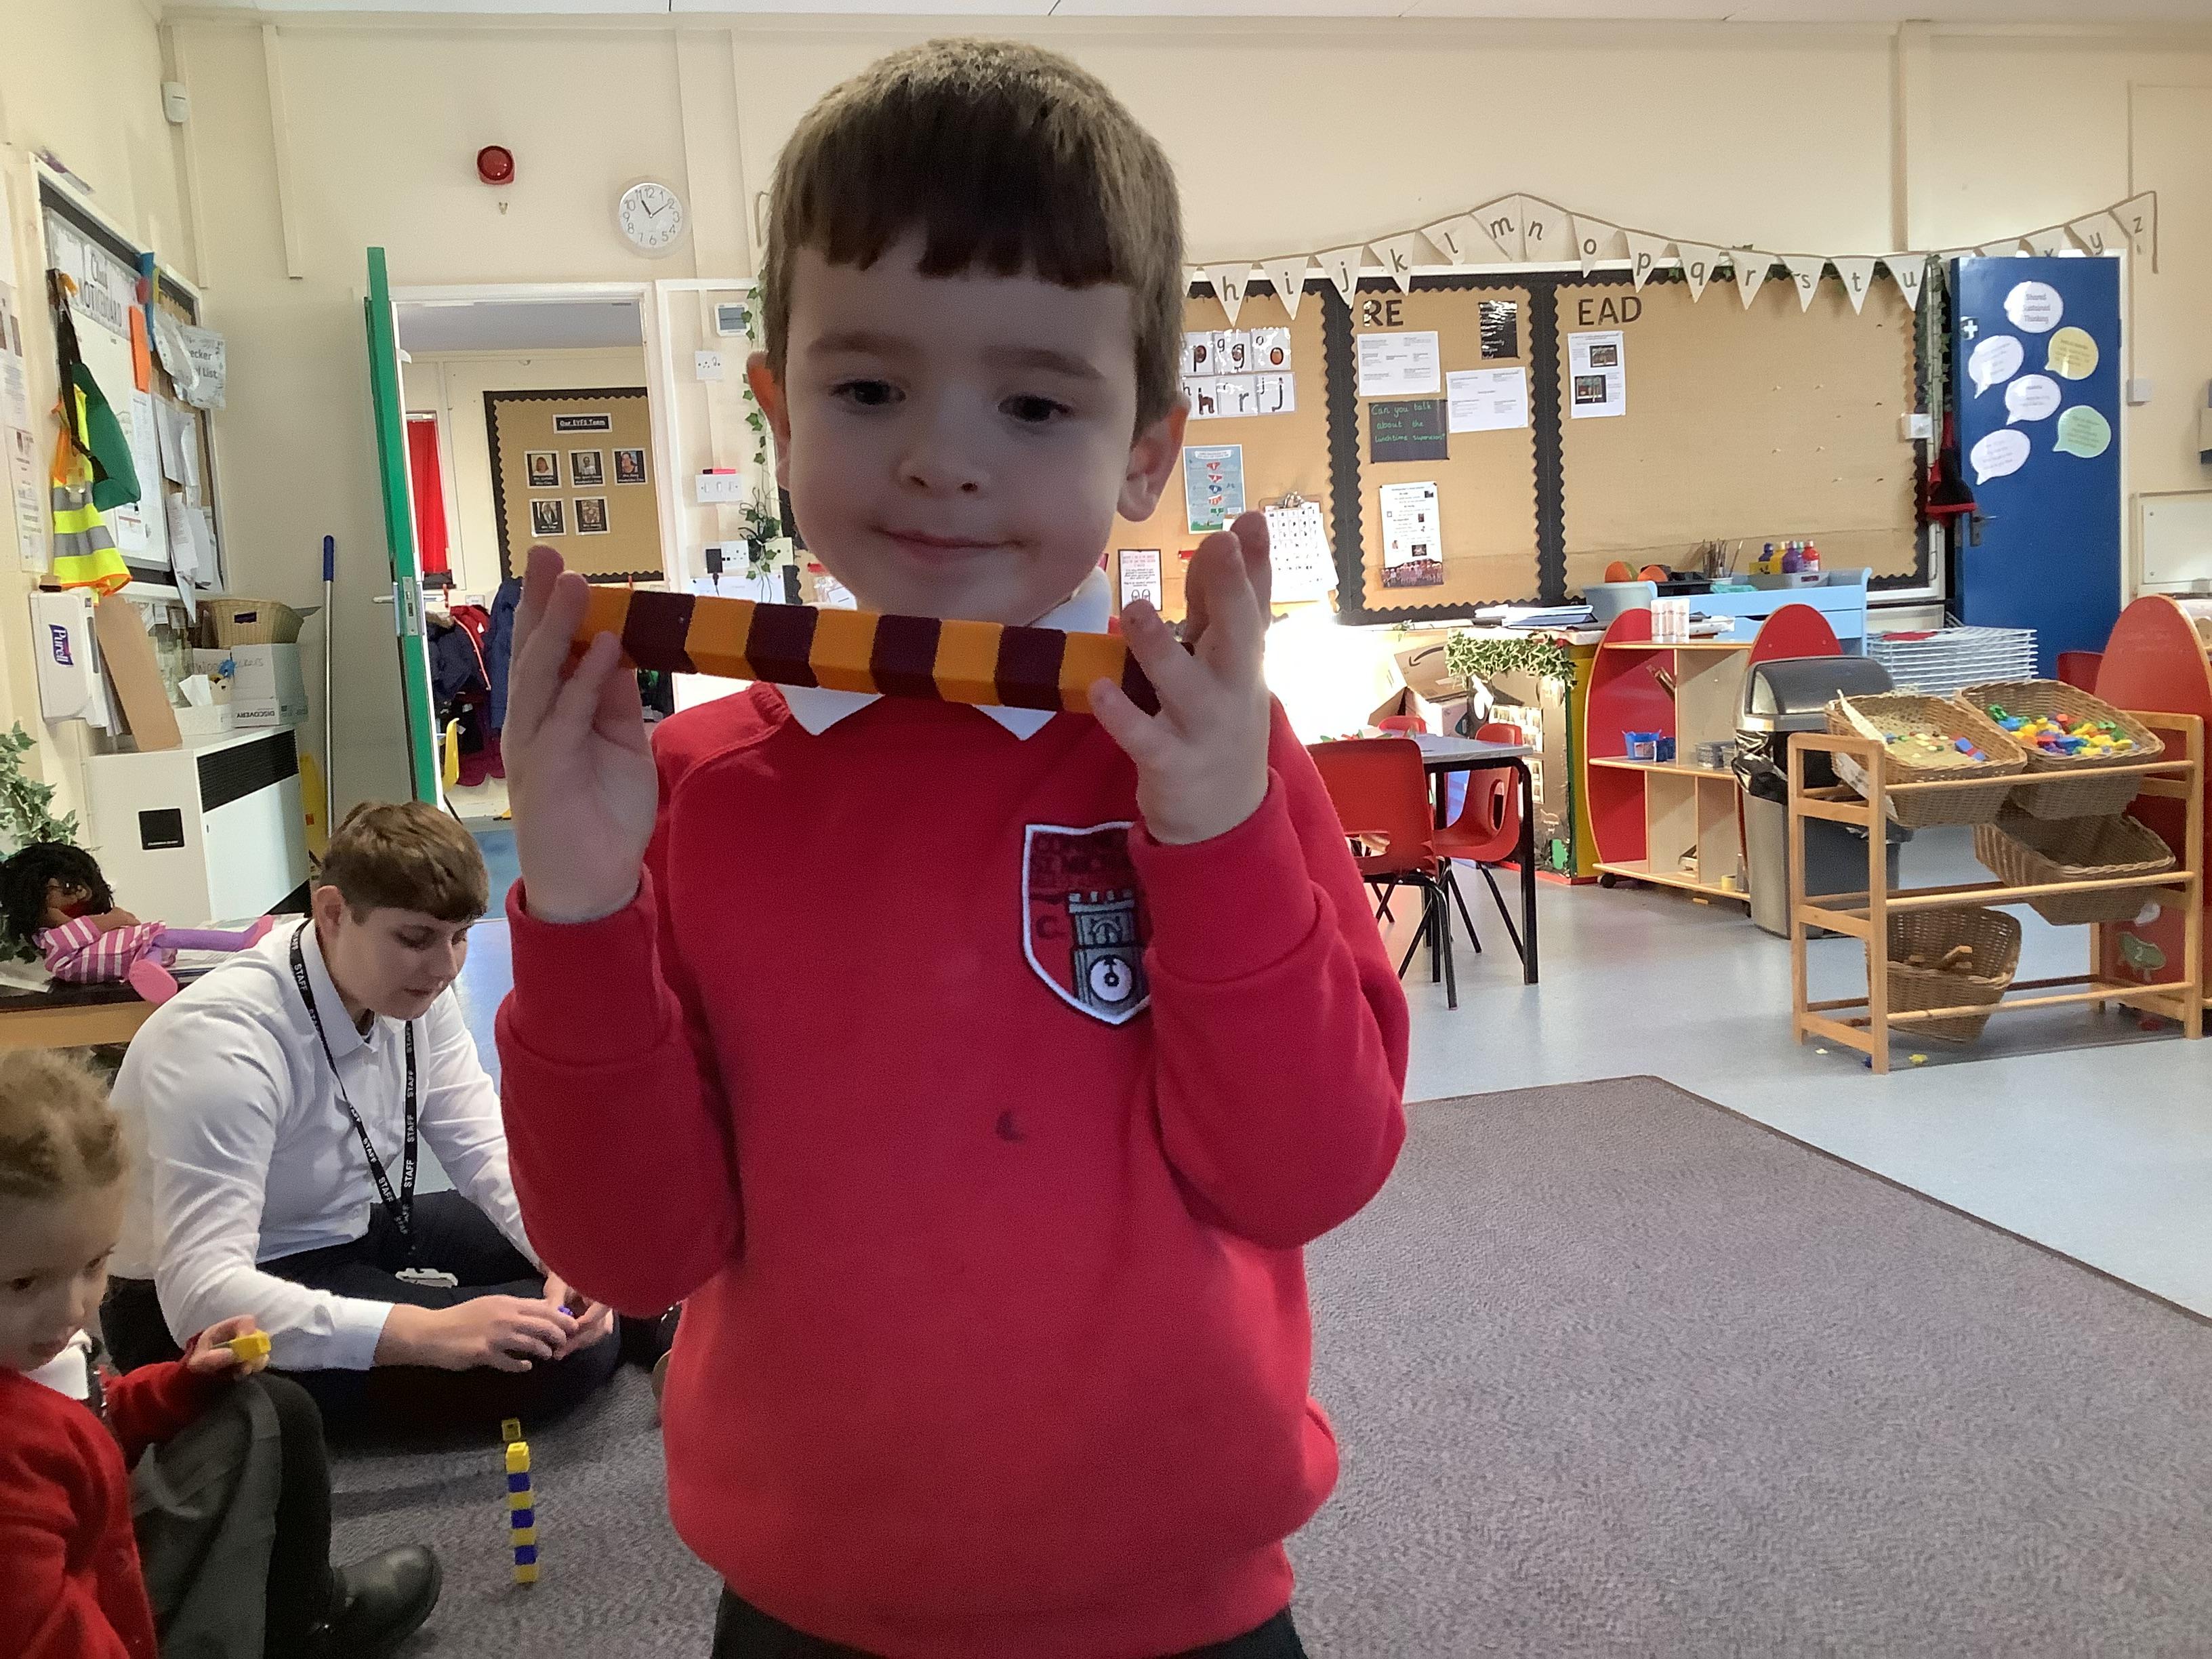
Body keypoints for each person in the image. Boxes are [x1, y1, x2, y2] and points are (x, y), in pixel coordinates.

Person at [496, 38, 1408, 1659]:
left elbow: (1307, 1170)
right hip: (810, 1601)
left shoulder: (1206, 757)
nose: (940, 457)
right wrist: (577, 902)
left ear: (1145, 451)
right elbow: (632, 1254)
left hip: (1181, 1595)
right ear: (776, 409)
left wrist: (1213, 836)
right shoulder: (689, 793)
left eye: (1035, 401)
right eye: (867, 389)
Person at [103, 801, 632, 1440]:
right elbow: (200, 1296)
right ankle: (642, 1326)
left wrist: (565, 1259)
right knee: (551, 1352)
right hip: (195, 1310)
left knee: (594, 1241)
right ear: (332, 913)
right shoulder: (222, 1042)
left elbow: (483, 1150)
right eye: (415, 939)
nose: (445, 969)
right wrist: (431, 1332)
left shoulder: (414, 991)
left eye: (459, 936)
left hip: (346, 1230)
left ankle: (640, 1317)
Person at [0, 1048, 440, 1658]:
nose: (71, 1309)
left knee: (268, 1408)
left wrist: (179, 1385)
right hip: (82, 1617)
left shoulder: (26, 1351)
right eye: (24, 1284)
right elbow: (48, 1639)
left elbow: (88, 1411)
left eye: (94, 1265)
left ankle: (300, 1619)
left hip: (102, 1565)